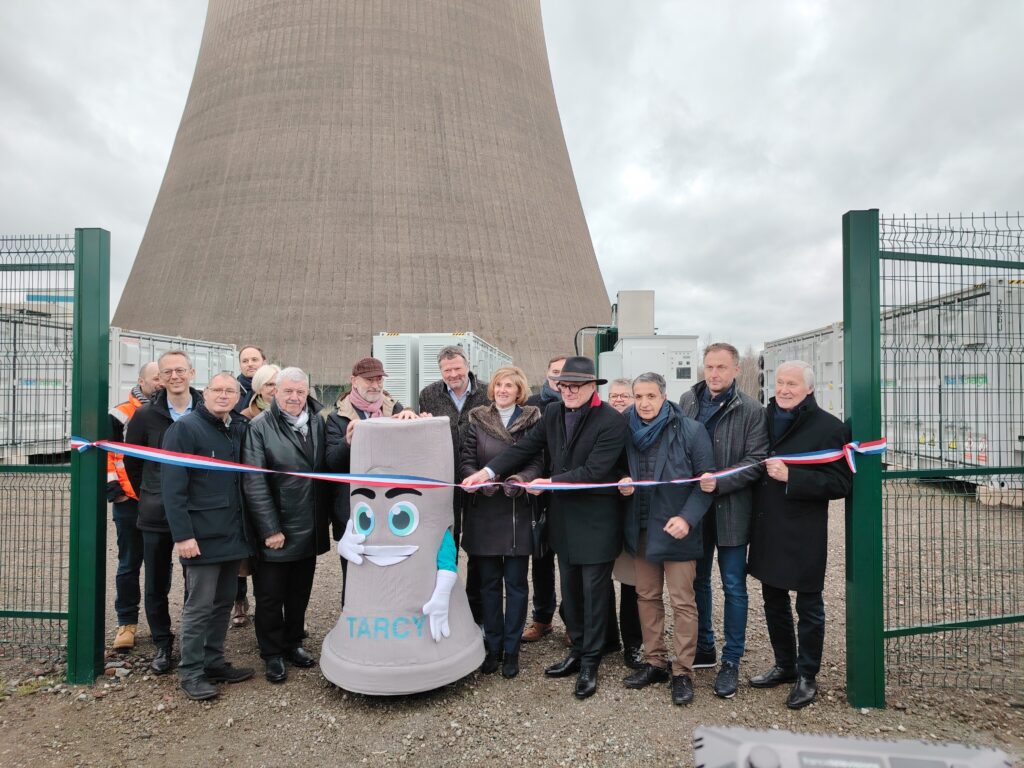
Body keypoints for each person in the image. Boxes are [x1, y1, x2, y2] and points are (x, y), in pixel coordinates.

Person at [463, 356, 627, 700]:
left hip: (597, 521)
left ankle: (591, 661)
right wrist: (487, 473)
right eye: (563, 386)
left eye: (575, 386)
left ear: (590, 387)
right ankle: (578, 648)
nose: (567, 391)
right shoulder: (552, 414)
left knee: (593, 593)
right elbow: (524, 448)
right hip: (563, 520)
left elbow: (596, 470)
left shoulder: (611, 421)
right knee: (571, 591)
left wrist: (549, 483)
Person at [747, 360, 851, 709]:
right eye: (779, 383)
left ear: (809, 388)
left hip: (804, 530)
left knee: (809, 605)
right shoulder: (762, 418)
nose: (784, 389)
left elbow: (840, 482)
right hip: (767, 525)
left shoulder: (828, 427)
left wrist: (793, 477)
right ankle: (784, 665)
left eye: (792, 384)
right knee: (773, 601)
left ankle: (808, 676)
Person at [618, 372, 715, 706]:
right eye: (639, 396)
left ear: (663, 396)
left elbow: (706, 484)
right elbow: (613, 470)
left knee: (682, 600)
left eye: (651, 396)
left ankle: (683, 671)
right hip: (640, 528)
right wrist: (623, 484)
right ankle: (655, 661)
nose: (644, 403)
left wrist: (687, 519)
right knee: (646, 595)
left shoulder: (691, 430)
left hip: (677, 530)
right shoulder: (625, 429)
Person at [680, 343, 768, 699]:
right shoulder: (688, 401)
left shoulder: (750, 409)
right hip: (696, 512)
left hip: (732, 511)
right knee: (697, 581)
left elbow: (756, 459)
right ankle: (705, 646)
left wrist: (721, 480)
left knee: (733, 585)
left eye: (721, 367)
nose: (714, 374)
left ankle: (731, 659)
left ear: (735, 370)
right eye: (709, 367)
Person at [161, 373, 254, 700]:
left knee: (222, 602)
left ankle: (214, 661)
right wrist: (183, 535)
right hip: (201, 537)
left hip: (231, 534)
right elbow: (173, 488)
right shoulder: (185, 429)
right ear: (205, 393)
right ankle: (191, 671)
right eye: (218, 390)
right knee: (199, 606)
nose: (224, 395)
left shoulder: (234, 428)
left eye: (231, 391)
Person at [242, 367, 330, 683]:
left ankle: (294, 641)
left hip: (309, 526)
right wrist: (269, 529)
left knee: (299, 592)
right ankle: (272, 652)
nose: (294, 398)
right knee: (269, 595)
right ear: (274, 393)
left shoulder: (317, 422)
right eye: (288, 392)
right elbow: (253, 482)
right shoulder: (259, 427)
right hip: (278, 528)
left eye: (300, 392)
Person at [461, 366, 543, 679]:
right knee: (489, 586)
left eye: (509, 385)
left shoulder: (532, 420)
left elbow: (538, 459)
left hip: (515, 511)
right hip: (484, 511)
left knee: (517, 586)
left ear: (519, 390)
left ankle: (512, 650)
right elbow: (467, 457)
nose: (503, 390)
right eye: (498, 385)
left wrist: (522, 479)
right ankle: (492, 647)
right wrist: (475, 479)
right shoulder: (478, 418)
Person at [124, 350, 202, 675]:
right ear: (160, 377)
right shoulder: (144, 416)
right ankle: (161, 642)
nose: (174, 376)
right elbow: (133, 464)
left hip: (197, 511)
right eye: (167, 371)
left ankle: (191, 640)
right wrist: (151, 494)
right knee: (156, 580)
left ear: (191, 373)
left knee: (195, 579)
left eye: (179, 370)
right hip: (156, 512)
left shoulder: (205, 410)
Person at [323, 357, 419, 603]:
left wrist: (414, 421)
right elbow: (332, 463)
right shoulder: (336, 418)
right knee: (355, 573)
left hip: (391, 509)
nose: (375, 385)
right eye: (369, 379)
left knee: (391, 572)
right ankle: (353, 623)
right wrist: (348, 442)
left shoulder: (397, 409)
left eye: (379, 379)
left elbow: (412, 455)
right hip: (355, 511)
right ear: (354, 381)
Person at [418, 345, 490, 625]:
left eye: (457, 368)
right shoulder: (429, 394)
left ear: (467, 366)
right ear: (441, 372)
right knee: (446, 542)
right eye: (447, 370)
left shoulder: (486, 392)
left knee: (477, 544)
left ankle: (475, 609)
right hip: (443, 481)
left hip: (476, 480)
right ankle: (445, 600)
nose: (453, 374)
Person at [106, 361, 162, 652]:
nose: (160, 383)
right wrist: (115, 492)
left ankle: (158, 625)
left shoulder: (170, 412)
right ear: (141, 380)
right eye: (155, 378)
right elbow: (107, 454)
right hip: (129, 501)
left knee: (158, 565)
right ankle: (126, 622)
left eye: (162, 378)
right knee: (129, 563)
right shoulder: (120, 414)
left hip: (159, 500)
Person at [519, 355, 565, 644]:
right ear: (547, 373)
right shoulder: (532, 404)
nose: (560, 378)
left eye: (565, 373)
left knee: (571, 560)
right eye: (555, 372)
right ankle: (542, 618)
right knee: (541, 558)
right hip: (538, 489)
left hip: (567, 487)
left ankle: (572, 621)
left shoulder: (581, 403)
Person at [232, 363, 280, 627]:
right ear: (258, 389)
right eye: (268, 384)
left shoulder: (295, 415)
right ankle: (241, 601)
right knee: (245, 557)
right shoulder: (244, 418)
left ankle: (272, 614)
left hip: (280, 497)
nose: (274, 389)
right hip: (252, 495)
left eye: (277, 384)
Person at [606, 378, 644, 670]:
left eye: (624, 395)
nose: (618, 400)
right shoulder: (603, 424)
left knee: (631, 583)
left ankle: (633, 644)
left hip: (632, 513)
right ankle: (607, 637)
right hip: (604, 515)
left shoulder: (639, 427)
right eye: (613, 396)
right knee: (601, 580)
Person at [234, 345, 267, 414]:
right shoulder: (231, 390)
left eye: (254, 360)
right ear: (240, 365)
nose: (250, 364)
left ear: (264, 363)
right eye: (245, 361)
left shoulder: (275, 389)